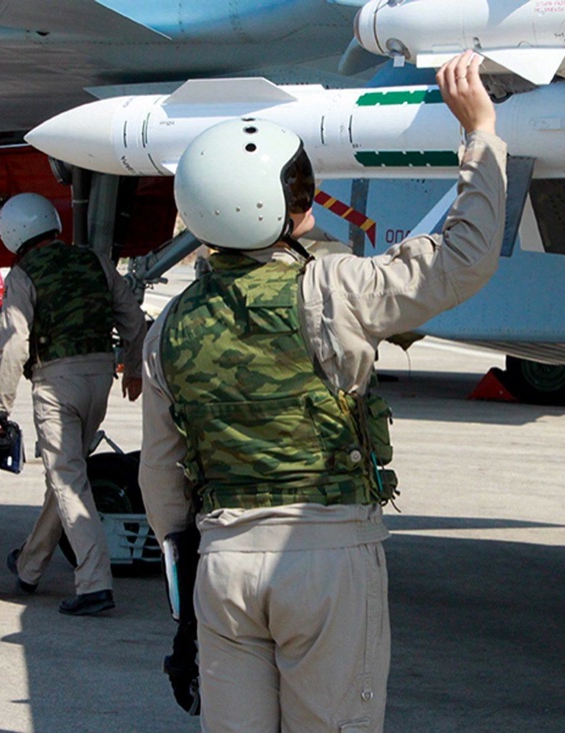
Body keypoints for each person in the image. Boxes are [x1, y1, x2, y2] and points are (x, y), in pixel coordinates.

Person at [139, 50, 506, 731]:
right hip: (325, 558)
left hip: (222, 566)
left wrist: (185, 601)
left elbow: (162, 482)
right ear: (278, 207)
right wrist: (480, 133)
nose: (307, 205)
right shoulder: (334, 287)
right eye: (298, 194)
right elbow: (464, 259)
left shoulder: (167, 328)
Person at [0, 192, 147, 616]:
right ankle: (29, 566)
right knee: (64, 477)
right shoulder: (94, 261)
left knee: (68, 481)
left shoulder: (23, 276)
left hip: (57, 385)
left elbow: (14, 346)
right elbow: (133, 318)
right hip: (100, 379)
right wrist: (134, 368)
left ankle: (95, 583)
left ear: (12, 235)